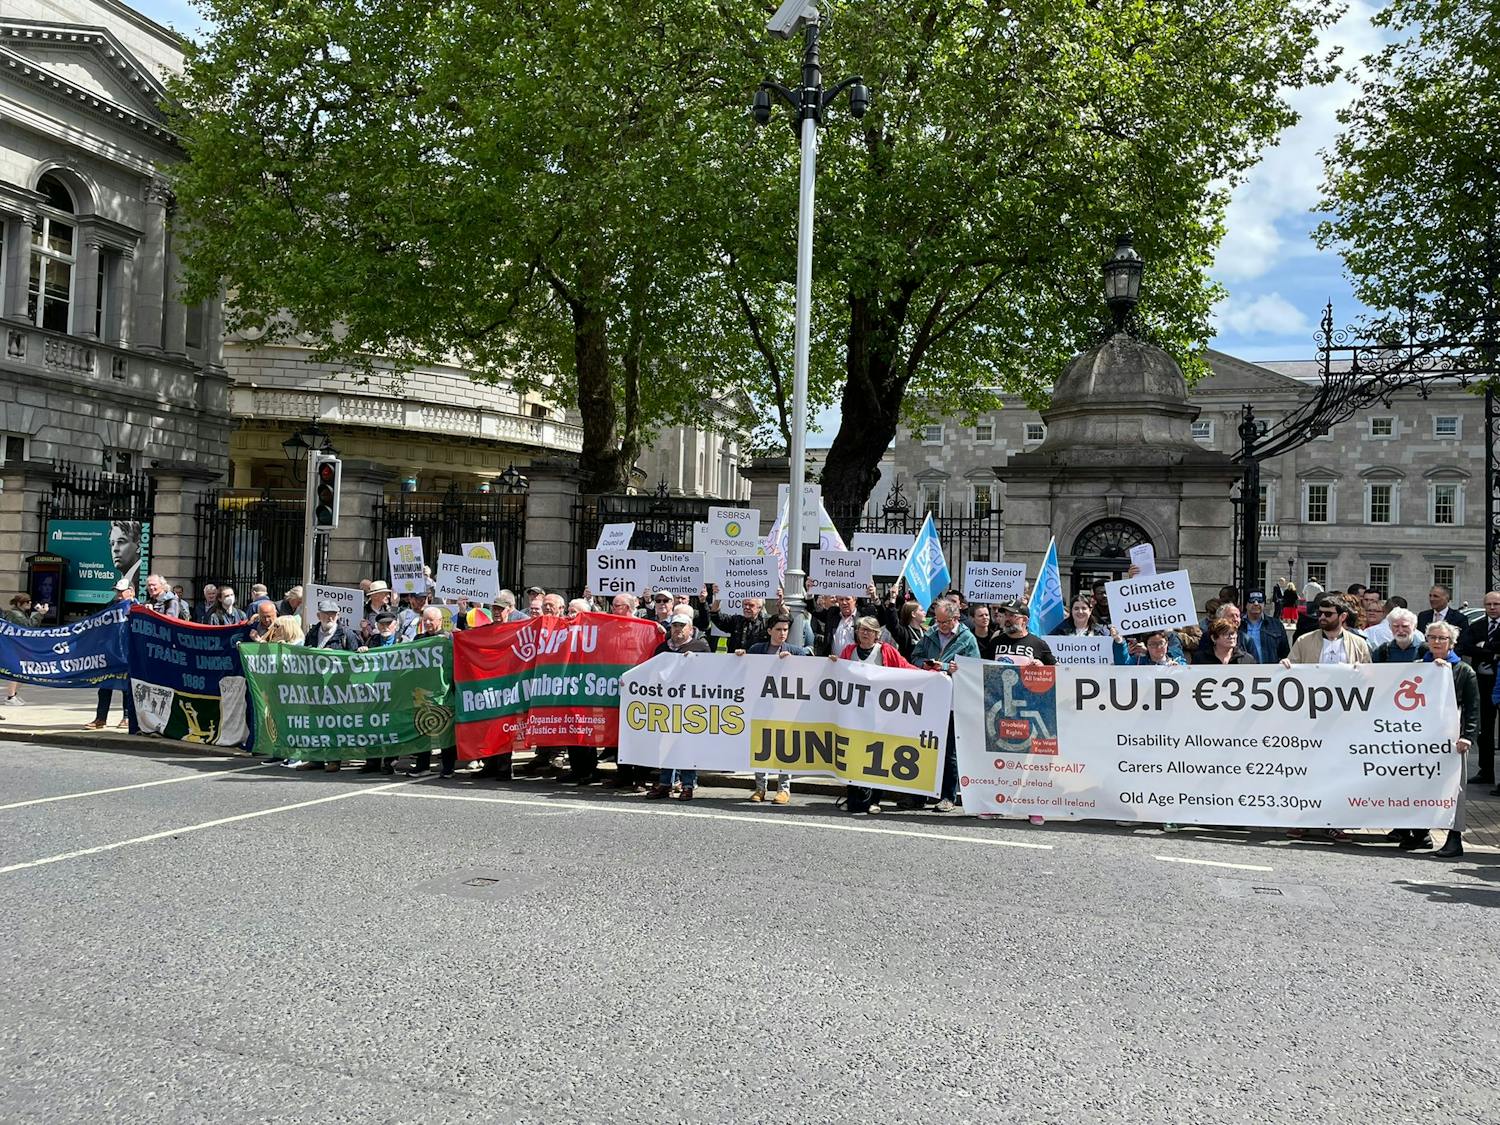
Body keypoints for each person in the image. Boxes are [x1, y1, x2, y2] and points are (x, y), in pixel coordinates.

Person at [834, 615, 915, 815]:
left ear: (877, 634)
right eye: (862, 629)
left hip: (880, 716)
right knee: (853, 756)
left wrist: (932, 674)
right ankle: (853, 797)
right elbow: (837, 673)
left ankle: (874, 800)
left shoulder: (886, 651)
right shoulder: (849, 651)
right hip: (854, 715)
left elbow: (906, 669)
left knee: (876, 757)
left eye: (869, 630)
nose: (865, 633)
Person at [911, 596, 981, 813]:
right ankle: (920, 794)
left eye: (943, 622)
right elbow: (914, 659)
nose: (939, 626)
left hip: (952, 700)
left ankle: (948, 796)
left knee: (949, 750)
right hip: (930, 699)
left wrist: (956, 668)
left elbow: (974, 668)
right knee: (925, 746)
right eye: (937, 621)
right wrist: (927, 664)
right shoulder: (930, 634)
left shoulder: (967, 639)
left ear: (955, 618)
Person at [1416, 622, 1476, 857]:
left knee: (1454, 790)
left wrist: (1468, 736)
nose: (1437, 642)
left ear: (1451, 643)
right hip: (1423, 739)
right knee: (1422, 784)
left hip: (1453, 740)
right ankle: (1420, 834)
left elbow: (1472, 708)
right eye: (1433, 638)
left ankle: (1454, 838)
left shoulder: (1463, 670)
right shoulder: (1419, 666)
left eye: (1442, 638)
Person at [743, 614, 809, 804]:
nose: (782, 633)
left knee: (783, 748)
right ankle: (760, 788)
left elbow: (810, 670)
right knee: (761, 747)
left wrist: (794, 663)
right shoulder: (757, 650)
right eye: (779, 629)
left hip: (785, 709)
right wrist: (739, 656)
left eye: (786, 630)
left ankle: (783, 789)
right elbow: (745, 669)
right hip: (761, 706)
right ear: (770, 630)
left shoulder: (796, 652)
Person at [645, 612, 710, 800]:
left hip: (691, 706)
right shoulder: (662, 648)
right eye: (675, 626)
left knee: (686, 745)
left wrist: (696, 661)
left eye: (682, 626)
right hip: (667, 704)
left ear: (690, 629)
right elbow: (651, 672)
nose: (678, 629)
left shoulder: (700, 647)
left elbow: (711, 672)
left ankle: (688, 785)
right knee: (665, 744)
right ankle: (665, 783)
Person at [302, 600, 361, 773]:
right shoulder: (312, 633)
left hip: (338, 688)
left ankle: (334, 759)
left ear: (338, 616)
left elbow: (355, 661)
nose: (330, 617)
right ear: (318, 615)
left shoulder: (347, 634)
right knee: (316, 723)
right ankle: (316, 758)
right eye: (326, 614)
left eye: (333, 614)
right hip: (316, 687)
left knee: (335, 724)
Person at [1458, 591, 1500, 788]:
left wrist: (1484, 646)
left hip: (1499, 681)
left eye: (1496, 604)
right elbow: (1464, 646)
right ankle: (1486, 771)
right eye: (1489, 604)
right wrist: (1490, 650)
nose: (1492, 608)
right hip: (1482, 682)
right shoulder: (1477, 625)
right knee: (1485, 729)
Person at [85, 579, 135, 730]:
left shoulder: (137, 606)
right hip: (111, 653)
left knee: (126, 688)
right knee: (104, 686)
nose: (118, 595)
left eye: (122, 592)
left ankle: (127, 717)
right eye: (117, 592)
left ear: (131, 591)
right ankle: (100, 718)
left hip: (127, 654)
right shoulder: (111, 606)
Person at [1285, 598, 1372, 666]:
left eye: (1328, 614)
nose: (1322, 617)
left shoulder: (1359, 643)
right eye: (1320, 613)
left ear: (1342, 617)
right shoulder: (1303, 641)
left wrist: (1361, 670)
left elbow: (1369, 675)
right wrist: (1285, 665)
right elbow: (1291, 669)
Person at [3, 594, 48, 705]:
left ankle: (13, 695)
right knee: (17, 671)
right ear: (19, 604)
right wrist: (40, 614)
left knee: (23, 671)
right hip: (15, 646)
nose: (30, 603)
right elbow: (29, 626)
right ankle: (10, 696)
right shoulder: (16, 614)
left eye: (30, 601)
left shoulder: (20, 613)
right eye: (27, 602)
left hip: (18, 646)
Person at [989, 600, 1056, 666]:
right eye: (1006, 615)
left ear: (1024, 620)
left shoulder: (1038, 644)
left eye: (1012, 615)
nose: (1007, 619)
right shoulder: (995, 642)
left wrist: (1042, 667)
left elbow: (1057, 670)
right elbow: (984, 668)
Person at [1238, 591, 1290, 664]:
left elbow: (1285, 653)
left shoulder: (1276, 625)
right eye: (1252, 600)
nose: (1256, 604)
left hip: (1270, 671)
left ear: (1264, 605)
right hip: (1243, 671)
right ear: (1246, 604)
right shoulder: (1237, 625)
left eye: (1260, 601)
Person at [109, 520, 142, 591]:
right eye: (112, 543)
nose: (115, 549)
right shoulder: (125, 579)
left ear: (138, 546)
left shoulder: (142, 581)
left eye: (121, 542)